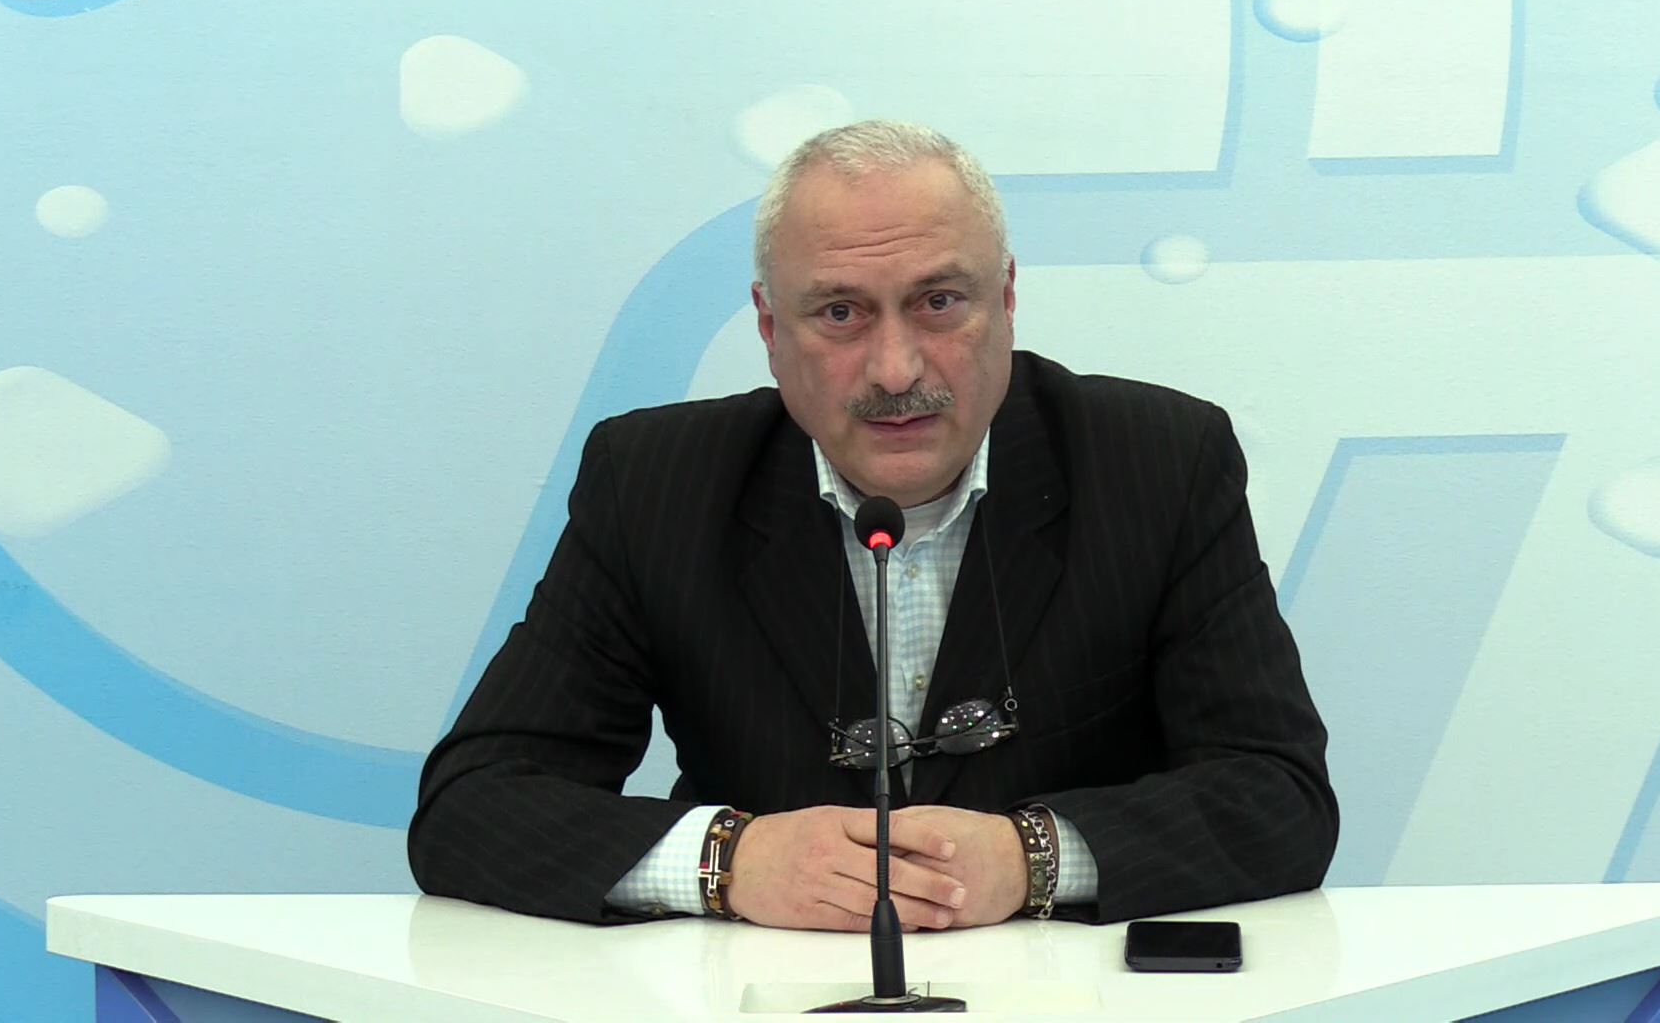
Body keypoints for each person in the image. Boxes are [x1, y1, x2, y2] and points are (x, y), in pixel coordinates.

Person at [408, 121, 1336, 931]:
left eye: (939, 303)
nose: (896, 370)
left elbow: (1279, 795)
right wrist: (732, 861)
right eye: (841, 313)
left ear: (1006, 300)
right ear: (770, 328)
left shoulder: (1157, 463)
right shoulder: (656, 483)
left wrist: (1032, 858)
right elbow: (472, 807)